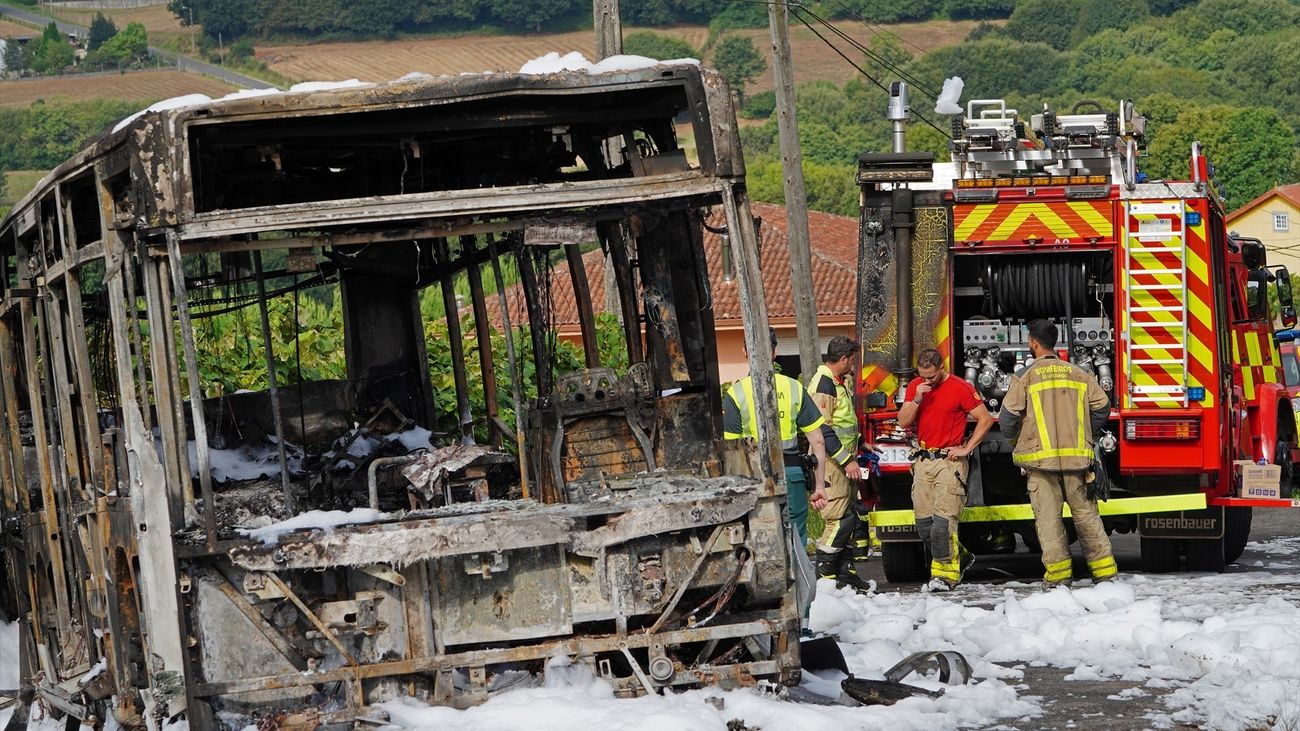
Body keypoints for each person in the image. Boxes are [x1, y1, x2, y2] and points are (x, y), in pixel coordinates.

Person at [998, 319, 1117, 586]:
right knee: (1087, 518)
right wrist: (1084, 433)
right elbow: (1102, 408)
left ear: (1033, 343)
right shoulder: (1079, 374)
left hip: (1041, 464)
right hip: (1078, 462)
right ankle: (1106, 575)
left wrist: (1020, 441)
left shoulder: (1025, 376)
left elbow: (1007, 418)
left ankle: (1059, 580)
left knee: (1049, 522)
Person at [897, 347, 995, 592]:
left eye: (932, 376)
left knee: (942, 524)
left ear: (942, 367)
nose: (927, 381)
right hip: (923, 461)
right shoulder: (916, 387)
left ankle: (944, 576)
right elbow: (903, 421)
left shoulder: (960, 387)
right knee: (925, 527)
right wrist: (917, 397)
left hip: (949, 463)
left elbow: (985, 419)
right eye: (923, 376)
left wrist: (966, 448)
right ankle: (960, 555)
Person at [723, 329, 829, 551]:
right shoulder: (793, 388)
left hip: (750, 480)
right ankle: (798, 583)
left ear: (745, 351)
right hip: (790, 475)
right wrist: (819, 485)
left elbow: (730, 450)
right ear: (774, 352)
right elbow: (818, 441)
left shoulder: (736, 393)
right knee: (796, 538)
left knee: (756, 537)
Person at [807, 335, 871, 591]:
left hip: (841, 460)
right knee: (838, 520)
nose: (853, 366)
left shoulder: (836, 381)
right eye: (852, 361)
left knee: (849, 516)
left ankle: (844, 575)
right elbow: (821, 429)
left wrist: (860, 442)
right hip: (831, 464)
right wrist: (846, 461)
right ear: (843, 359)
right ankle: (824, 579)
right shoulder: (823, 384)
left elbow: (842, 422)